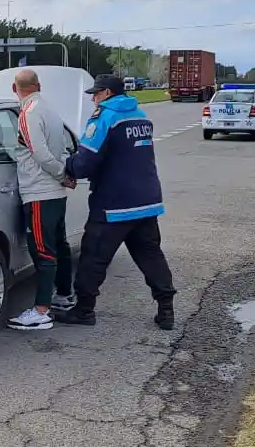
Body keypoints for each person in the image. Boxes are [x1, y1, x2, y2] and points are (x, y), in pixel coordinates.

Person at [54, 73, 176, 329]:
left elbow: (86, 161)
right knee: (150, 255)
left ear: (107, 93)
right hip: (146, 201)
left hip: (114, 204)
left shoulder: (104, 118)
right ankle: (166, 310)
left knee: (93, 258)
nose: (93, 100)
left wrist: (67, 166)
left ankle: (84, 310)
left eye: (95, 94)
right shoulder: (140, 116)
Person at [6, 69, 77, 331]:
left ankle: (41, 311)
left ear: (15, 90)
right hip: (54, 194)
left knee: (42, 250)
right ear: (39, 86)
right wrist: (64, 176)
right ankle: (64, 296)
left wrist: (61, 175)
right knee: (59, 245)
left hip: (39, 191)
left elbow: (40, 154)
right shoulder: (50, 110)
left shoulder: (28, 113)